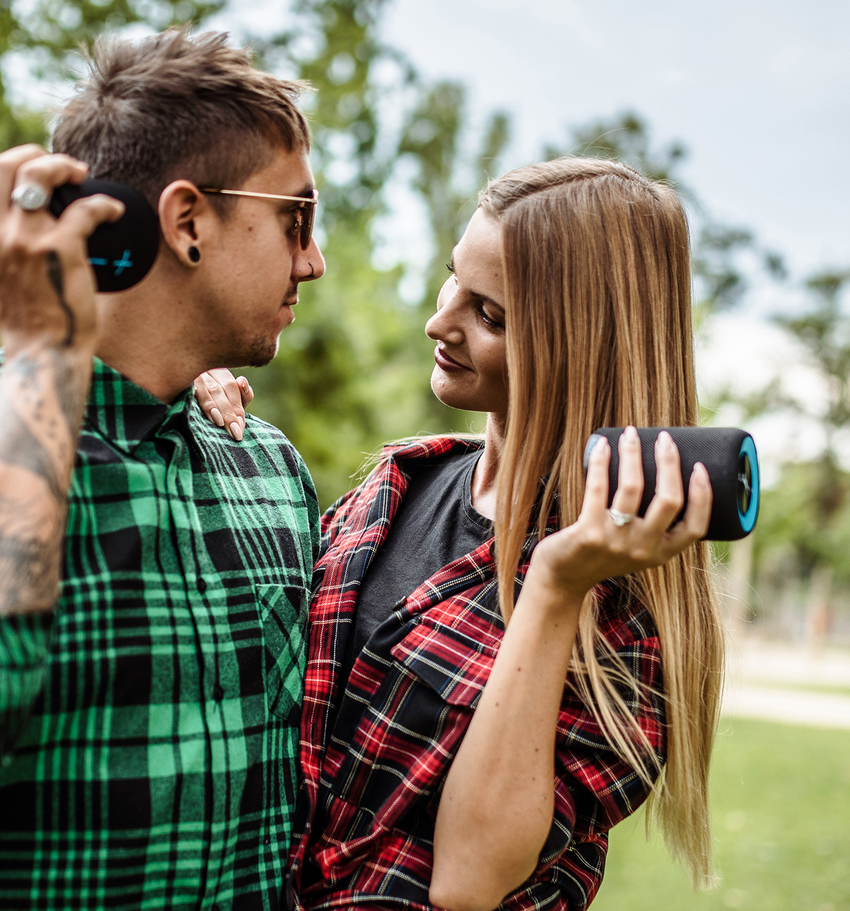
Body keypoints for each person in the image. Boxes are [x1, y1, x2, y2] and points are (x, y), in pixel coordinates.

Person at [0, 29, 326, 910]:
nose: (313, 259)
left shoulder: (269, 470)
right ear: (187, 222)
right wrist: (42, 354)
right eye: (296, 217)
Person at [196, 157, 725, 911]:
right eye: (454, 280)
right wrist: (194, 403)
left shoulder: (625, 610)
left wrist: (554, 586)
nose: (438, 323)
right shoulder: (398, 485)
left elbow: (470, 879)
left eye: (491, 316)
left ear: (583, 347)